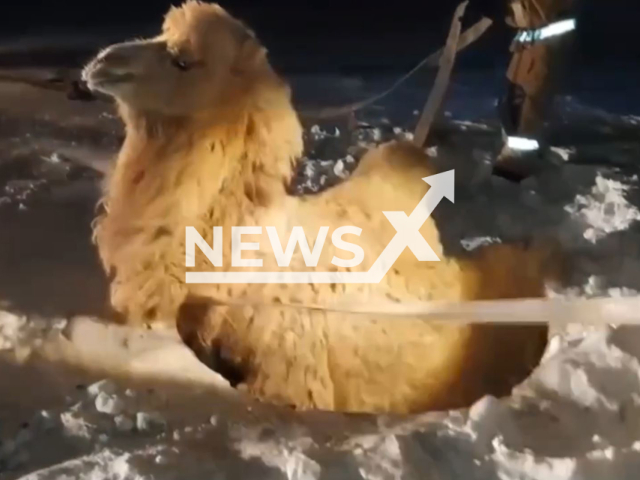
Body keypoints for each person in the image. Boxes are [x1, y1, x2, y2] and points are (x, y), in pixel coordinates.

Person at [494, 0, 578, 180]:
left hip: (542, 50)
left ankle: (516, 168)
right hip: (528, 49)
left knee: (528, 103)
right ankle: (514, 162)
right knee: (512, 100)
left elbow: (558, 20)